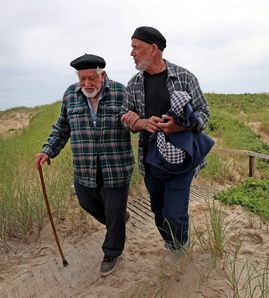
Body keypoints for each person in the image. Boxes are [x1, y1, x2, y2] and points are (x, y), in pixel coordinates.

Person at [35, 54, 134, 277]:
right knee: (86, 201)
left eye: (91, 78)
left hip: (115, 166)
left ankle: (112, 252)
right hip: (85, 167)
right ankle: (116, 219)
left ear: (103, 75)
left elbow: (133, 122)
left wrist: (135, 123)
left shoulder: (121, 93)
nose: (87, 84)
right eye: (82, 79)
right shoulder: (70, 95)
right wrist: (47, 151)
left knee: (115, 213)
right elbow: (62, 129)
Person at [121, 26, 210, 253]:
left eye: (135, 48)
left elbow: (204, 113)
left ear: (153, 49)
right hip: (151, 160)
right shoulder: (133, 84)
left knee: (175, 213)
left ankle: (181, 248)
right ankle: (171, 242)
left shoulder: (185, 77)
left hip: (181, 158)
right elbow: (125, 118)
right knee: (158, 211)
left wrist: (179, 126)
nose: (132, 53)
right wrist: (140, 122)